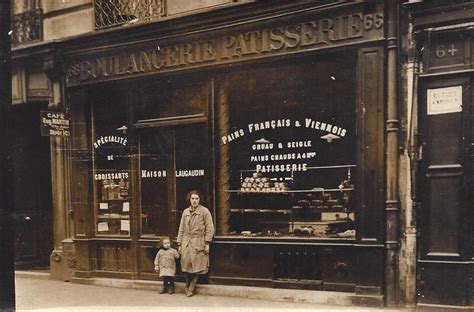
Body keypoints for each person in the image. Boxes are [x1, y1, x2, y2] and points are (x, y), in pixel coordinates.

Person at [177, 190, 215, 297]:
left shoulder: (204, 211)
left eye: (196, 199)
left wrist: (207, 243)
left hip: (199, 242)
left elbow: (210, 228)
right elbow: (181, 228)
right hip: (186, 242)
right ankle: (187, 283)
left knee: (197, 267)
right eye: (192, 198)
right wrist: (179, 243)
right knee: (185, 264)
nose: (194, 201)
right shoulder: (185, 212)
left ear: (199, 200)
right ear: (189, 199)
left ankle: (191, 287)